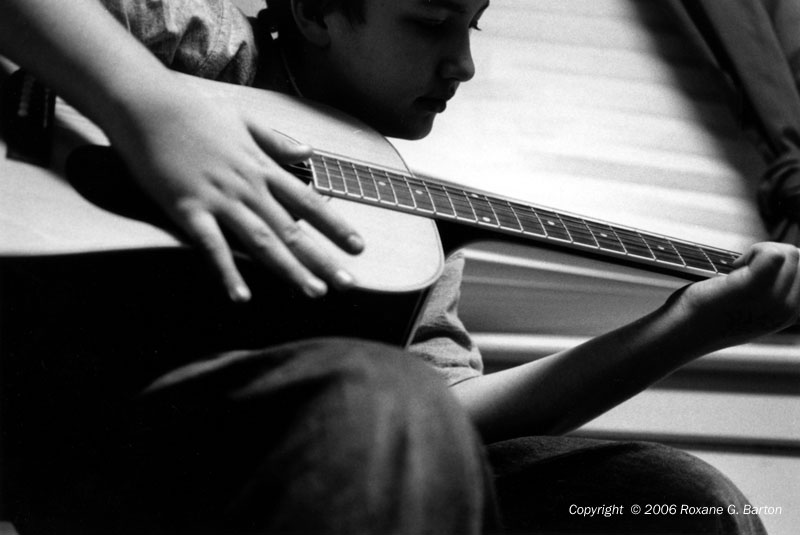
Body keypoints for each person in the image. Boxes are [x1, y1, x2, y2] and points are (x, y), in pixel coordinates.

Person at [0, 0, 798, 533]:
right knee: (386, 397)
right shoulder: (191, 43)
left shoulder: (397, 207)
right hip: (95, 431)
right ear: (315, 9)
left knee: (678, 503)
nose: (462, 64)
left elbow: (446, 415)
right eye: (431, 22)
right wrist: (147, 105)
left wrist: (686, 327)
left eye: (472, 25)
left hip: (326, 462)